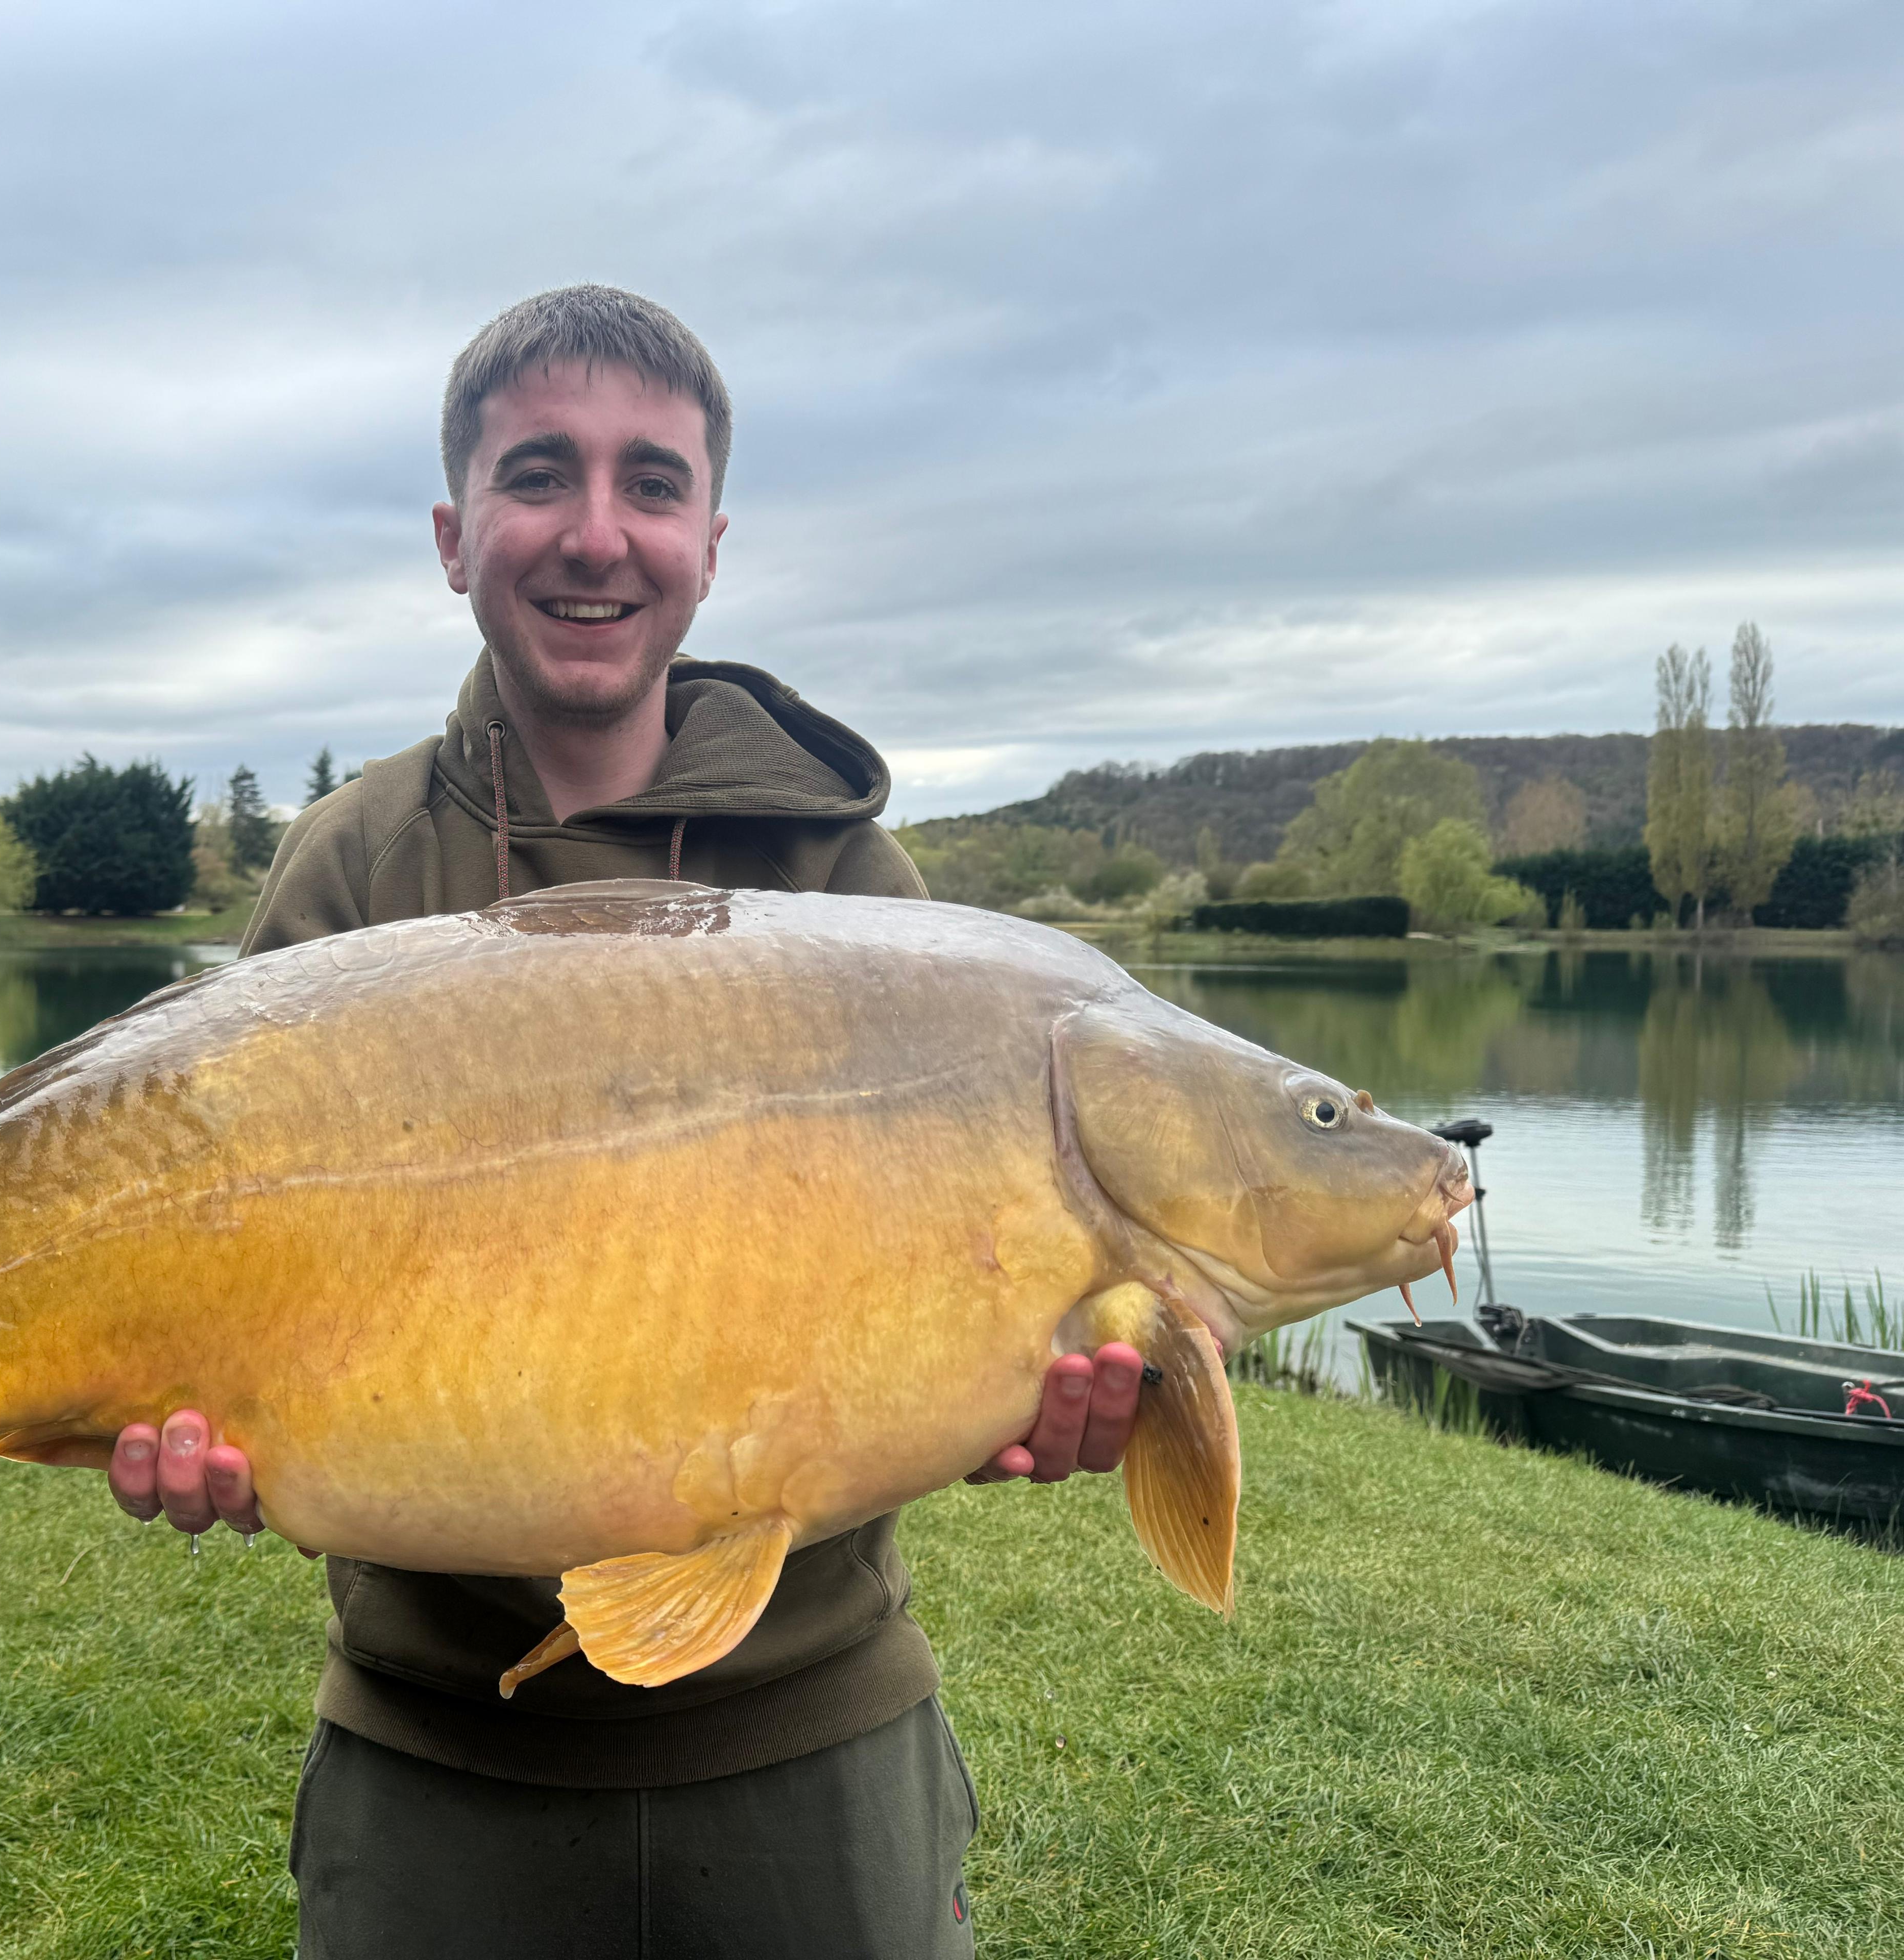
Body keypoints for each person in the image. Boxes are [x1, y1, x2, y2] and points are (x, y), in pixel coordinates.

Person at [104, 286, 1145, 1957]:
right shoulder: (355, 866)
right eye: (540, 475)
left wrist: (1049, 1388)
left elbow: (954, 1309)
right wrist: (175, 1408)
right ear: (454, 534)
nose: (598, 534)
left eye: (652, 485)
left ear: (710, 546)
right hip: (434, 1751)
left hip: (810, 1735)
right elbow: (204, 1223)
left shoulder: (851, 886)